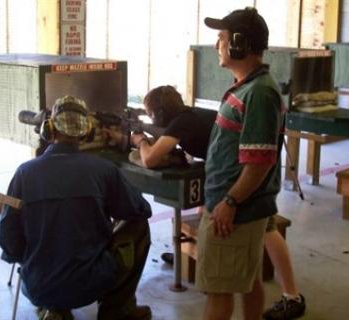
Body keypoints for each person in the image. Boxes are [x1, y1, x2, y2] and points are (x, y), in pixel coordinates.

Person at [125, 84, 305, 320]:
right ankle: (191, 254)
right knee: (250, 261)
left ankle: (292, 295)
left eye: (151, 113)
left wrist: (140, 140)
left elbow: (150, 159)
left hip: (240, 184)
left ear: (160, 113)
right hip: (233, 178)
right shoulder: (190, 114)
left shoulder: (183, 122)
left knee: (267, 231)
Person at [0, 95, 152, 320]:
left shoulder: (24, 173)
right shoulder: (103, 171)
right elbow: (141, 210)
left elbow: (8, 237)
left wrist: (31, 261)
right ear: (85, 131)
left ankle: (52, 308)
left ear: (48, 129)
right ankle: (117, 311)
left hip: (37, 285)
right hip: (92, 283)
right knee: (138, 226)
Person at [195, 7, 303, 320]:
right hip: (236, 205)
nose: (217, 45)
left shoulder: (259, 92)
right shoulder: (249, 86)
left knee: (218, 289)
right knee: (248, 279)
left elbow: (258, 162)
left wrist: (228, 201)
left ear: (240, 43)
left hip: (237, 210)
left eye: (222, 38)